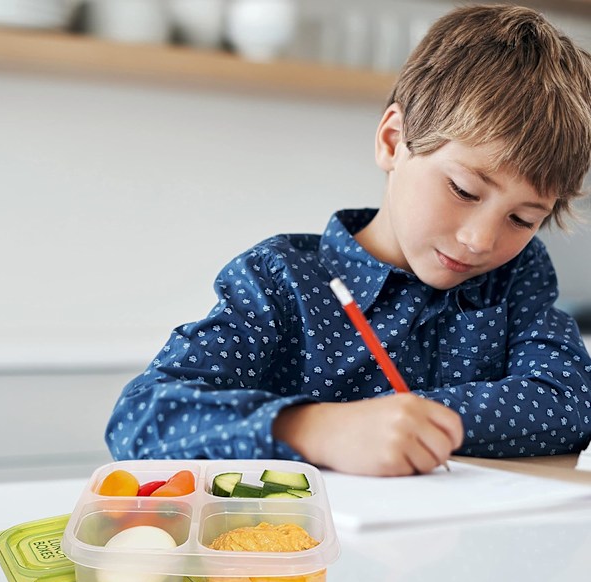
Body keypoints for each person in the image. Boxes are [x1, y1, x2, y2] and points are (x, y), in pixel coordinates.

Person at [106, 4, 591, 476]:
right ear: (392, 141)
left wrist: (409, 418)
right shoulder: (278, 279)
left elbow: (569, 401)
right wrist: (320, 428)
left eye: (523, 219)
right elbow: (142, 418)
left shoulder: (515, 275)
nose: (480, 239)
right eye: (463, 190)